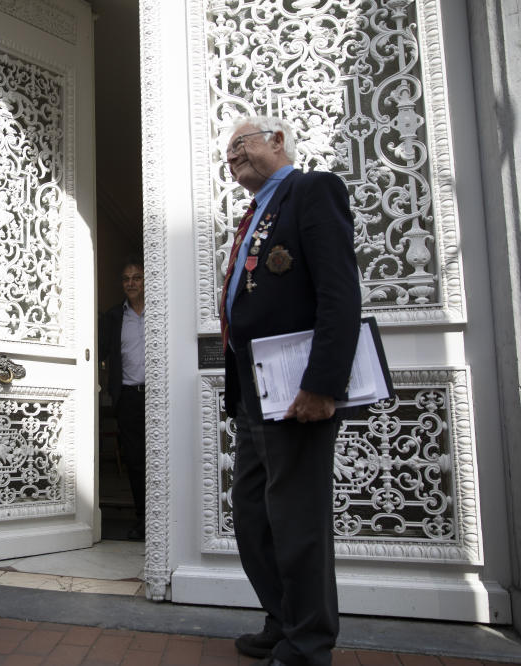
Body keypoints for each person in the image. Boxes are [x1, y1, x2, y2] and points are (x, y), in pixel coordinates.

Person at [220, 116, 361, 666]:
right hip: (254, 391)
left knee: (297, 520)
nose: (231, 156)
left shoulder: (311, 190)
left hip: (297, 392)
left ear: (277, 142)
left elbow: (338, 292)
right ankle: (283, 621)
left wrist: (323, 384)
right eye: (227, 151)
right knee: (252, 513)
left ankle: (308, 643)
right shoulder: (254, 214)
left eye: (240, 144)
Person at [99, 258, 146, 540]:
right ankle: (143, 519)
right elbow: (98, 350)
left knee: (167, 458)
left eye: (137, 277)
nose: (131, 283)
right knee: (136, 461)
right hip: (128, 398)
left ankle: (170, 520)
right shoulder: (115, 316)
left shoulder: (161, 311)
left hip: (160, 396)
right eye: (126, 278)